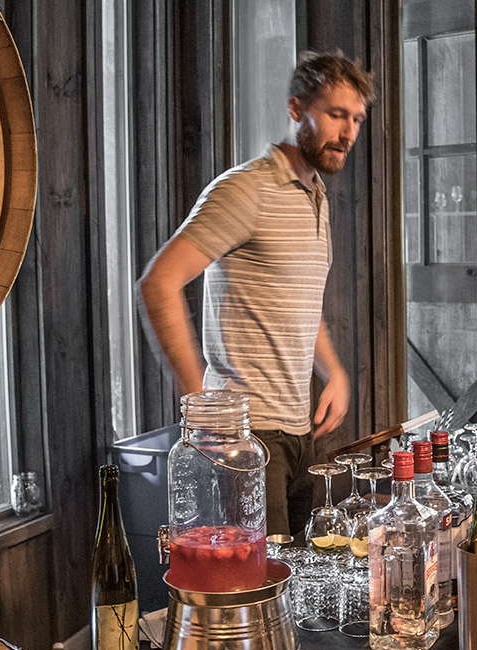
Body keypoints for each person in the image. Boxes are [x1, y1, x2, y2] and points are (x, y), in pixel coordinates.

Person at [138, 51, 374, 536]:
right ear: (295, 109)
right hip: (245, 437)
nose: (348, 132)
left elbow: (299, 303)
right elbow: (158, 284)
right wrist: (203, 409)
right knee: (253, 598)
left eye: (356, 119)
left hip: (302, 431)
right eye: (335, 114)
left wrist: (334, 373)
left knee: (301, 586)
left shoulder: (317, 197)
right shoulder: (247, 190)